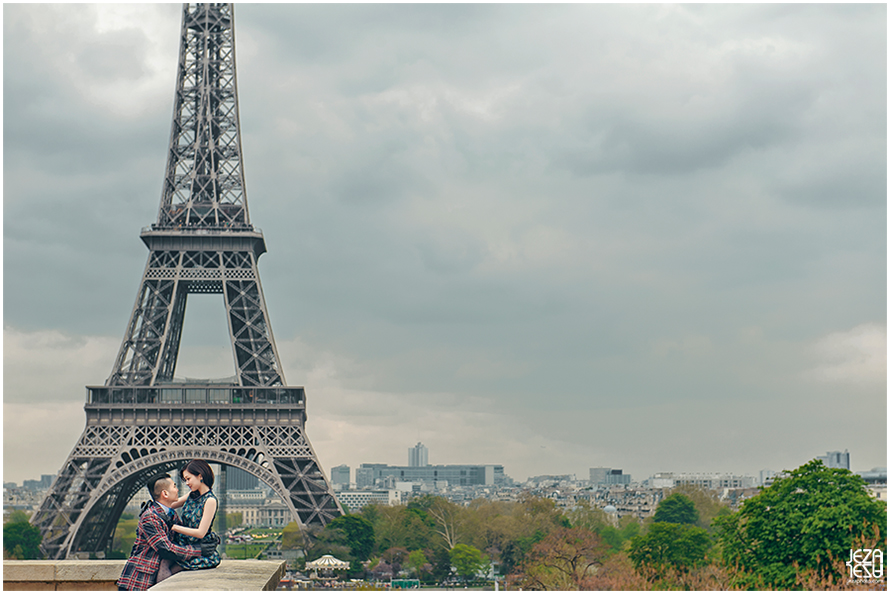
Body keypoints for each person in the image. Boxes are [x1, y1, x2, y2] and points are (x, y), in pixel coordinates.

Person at [117, 474, 214, 591]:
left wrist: (208, 538)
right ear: (165, 494)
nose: (177, 489)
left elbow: (181, 537)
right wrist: (199, 550)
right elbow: (166, 549)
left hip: (150, 580)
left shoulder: (170, 514)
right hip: (137, 583)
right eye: (174, 486)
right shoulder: (150, 517)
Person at [169, 459, 222, 571]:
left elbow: (200, 533)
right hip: (184, 546)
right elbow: (172, 504)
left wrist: (173, 527)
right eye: (185, 480)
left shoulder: (210, 500)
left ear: (200, 476)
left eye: (188, 479)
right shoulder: (191, 494)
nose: (187, 483)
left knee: (169, 570)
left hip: (198, 551)